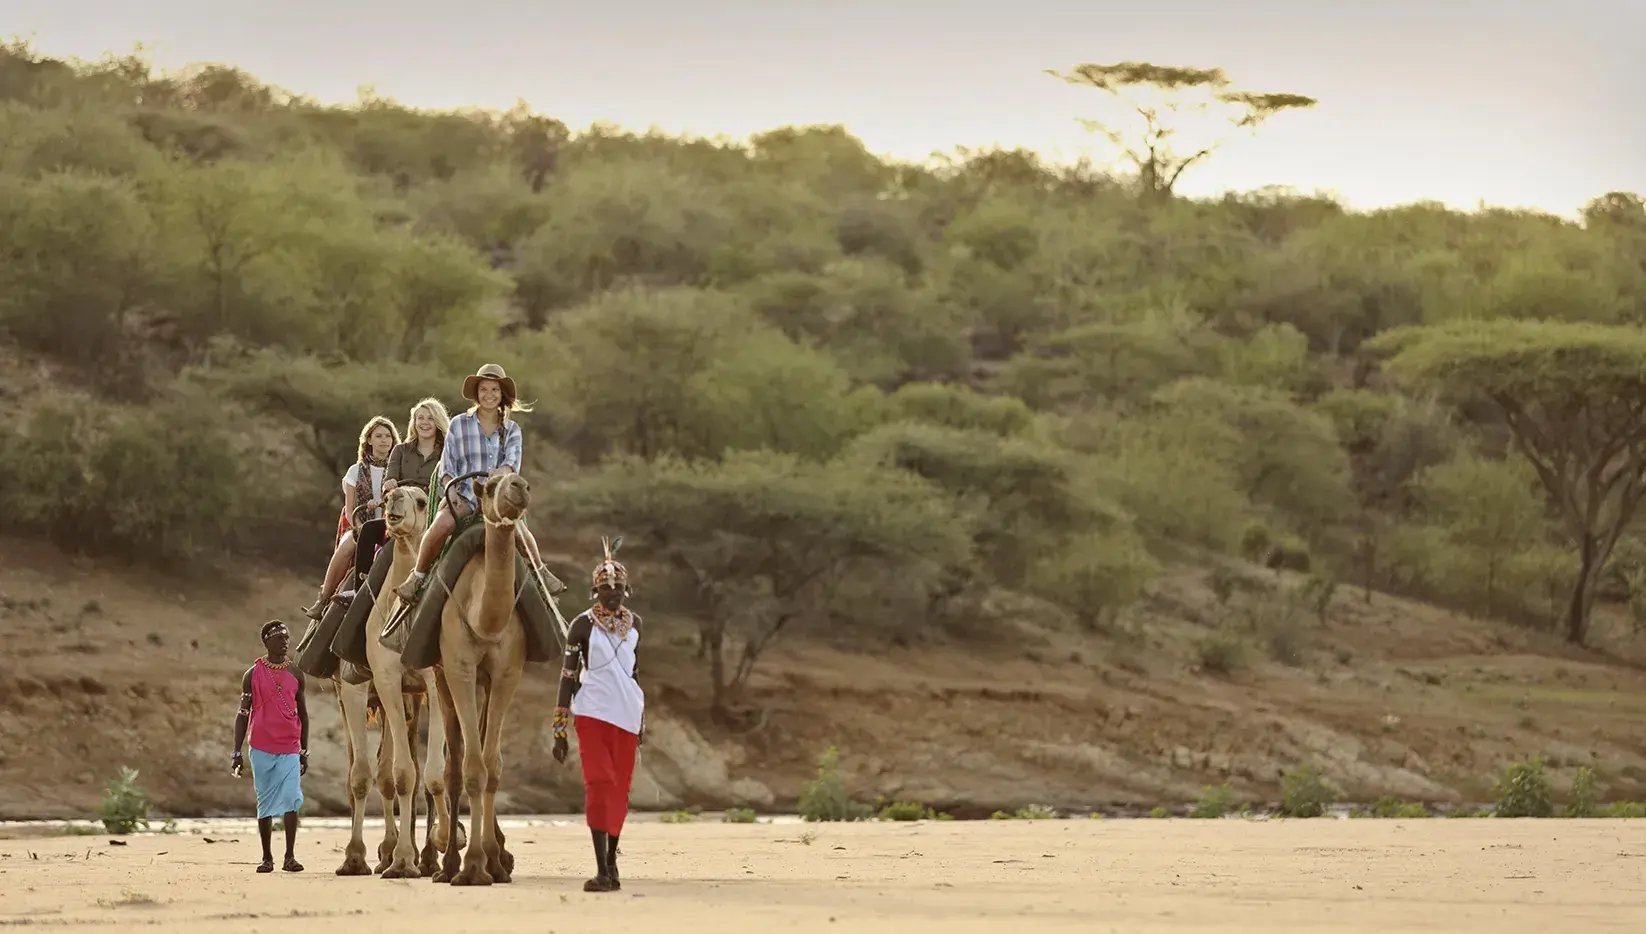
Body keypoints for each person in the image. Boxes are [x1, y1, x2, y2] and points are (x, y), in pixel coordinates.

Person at [392, 364, 552, 605]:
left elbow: (512, 464)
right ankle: (418, 576)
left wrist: (501, 473)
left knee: (521, 533)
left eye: (495, 389)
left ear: (502, 394)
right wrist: (452, 491)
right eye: (484, 389)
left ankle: (541, 574)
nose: (489, 394)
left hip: (497, 501)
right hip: (464, 495)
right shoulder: (458, 424)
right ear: (476, 393)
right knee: (441, 525)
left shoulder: (511, 430)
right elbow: (447, 466)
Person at [552, 537, 644, 893]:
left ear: (627, 589)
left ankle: (613, 866)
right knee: (599, 783)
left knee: (620, 790)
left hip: (627, 715)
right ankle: (601, 868)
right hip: (591, 713)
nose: (613, 593)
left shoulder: (635, 625)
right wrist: (559, 728)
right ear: (595, 590)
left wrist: (642, 720)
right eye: (606, 588)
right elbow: (567, 677)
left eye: (618, 588)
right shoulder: (581, 626)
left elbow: (635, 673)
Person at [230, 620, 310, 873]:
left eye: (287, 638)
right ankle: (267, 858)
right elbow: (243, 714)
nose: (285, 642)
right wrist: (236, 752)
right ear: (266, 642)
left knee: (291, 799)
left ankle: (290, 857)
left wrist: (304, 751)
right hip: (261, 746)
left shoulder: (296, 673)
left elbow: (304, 715)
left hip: (289, 747)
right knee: (264, 802)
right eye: (279, 638)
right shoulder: (252, 675)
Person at [302, 415, 398, 620]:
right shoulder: (355, 471)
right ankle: (323, 598)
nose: (384, 440)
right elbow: (349, 509)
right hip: (360, 525)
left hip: (391, 527)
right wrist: (360, 528)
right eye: (379, 435)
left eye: (388, 436)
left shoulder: (397, 470)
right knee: (347, 546)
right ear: (369, 440)